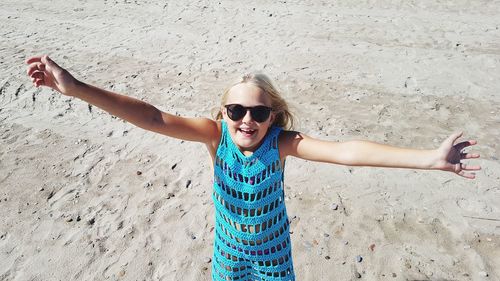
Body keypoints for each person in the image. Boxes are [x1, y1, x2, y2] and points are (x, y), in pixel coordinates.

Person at [26, 55, 481, 281]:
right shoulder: (213, 136)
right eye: (237, 110)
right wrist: (77, 88)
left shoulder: (282, 145)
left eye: (259, 113)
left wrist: (428, 159)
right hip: (227, 254)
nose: (247, 119)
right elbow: (150, 116)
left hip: (273, 257)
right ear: (223, 113)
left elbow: (346, 151)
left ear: (273, 117)